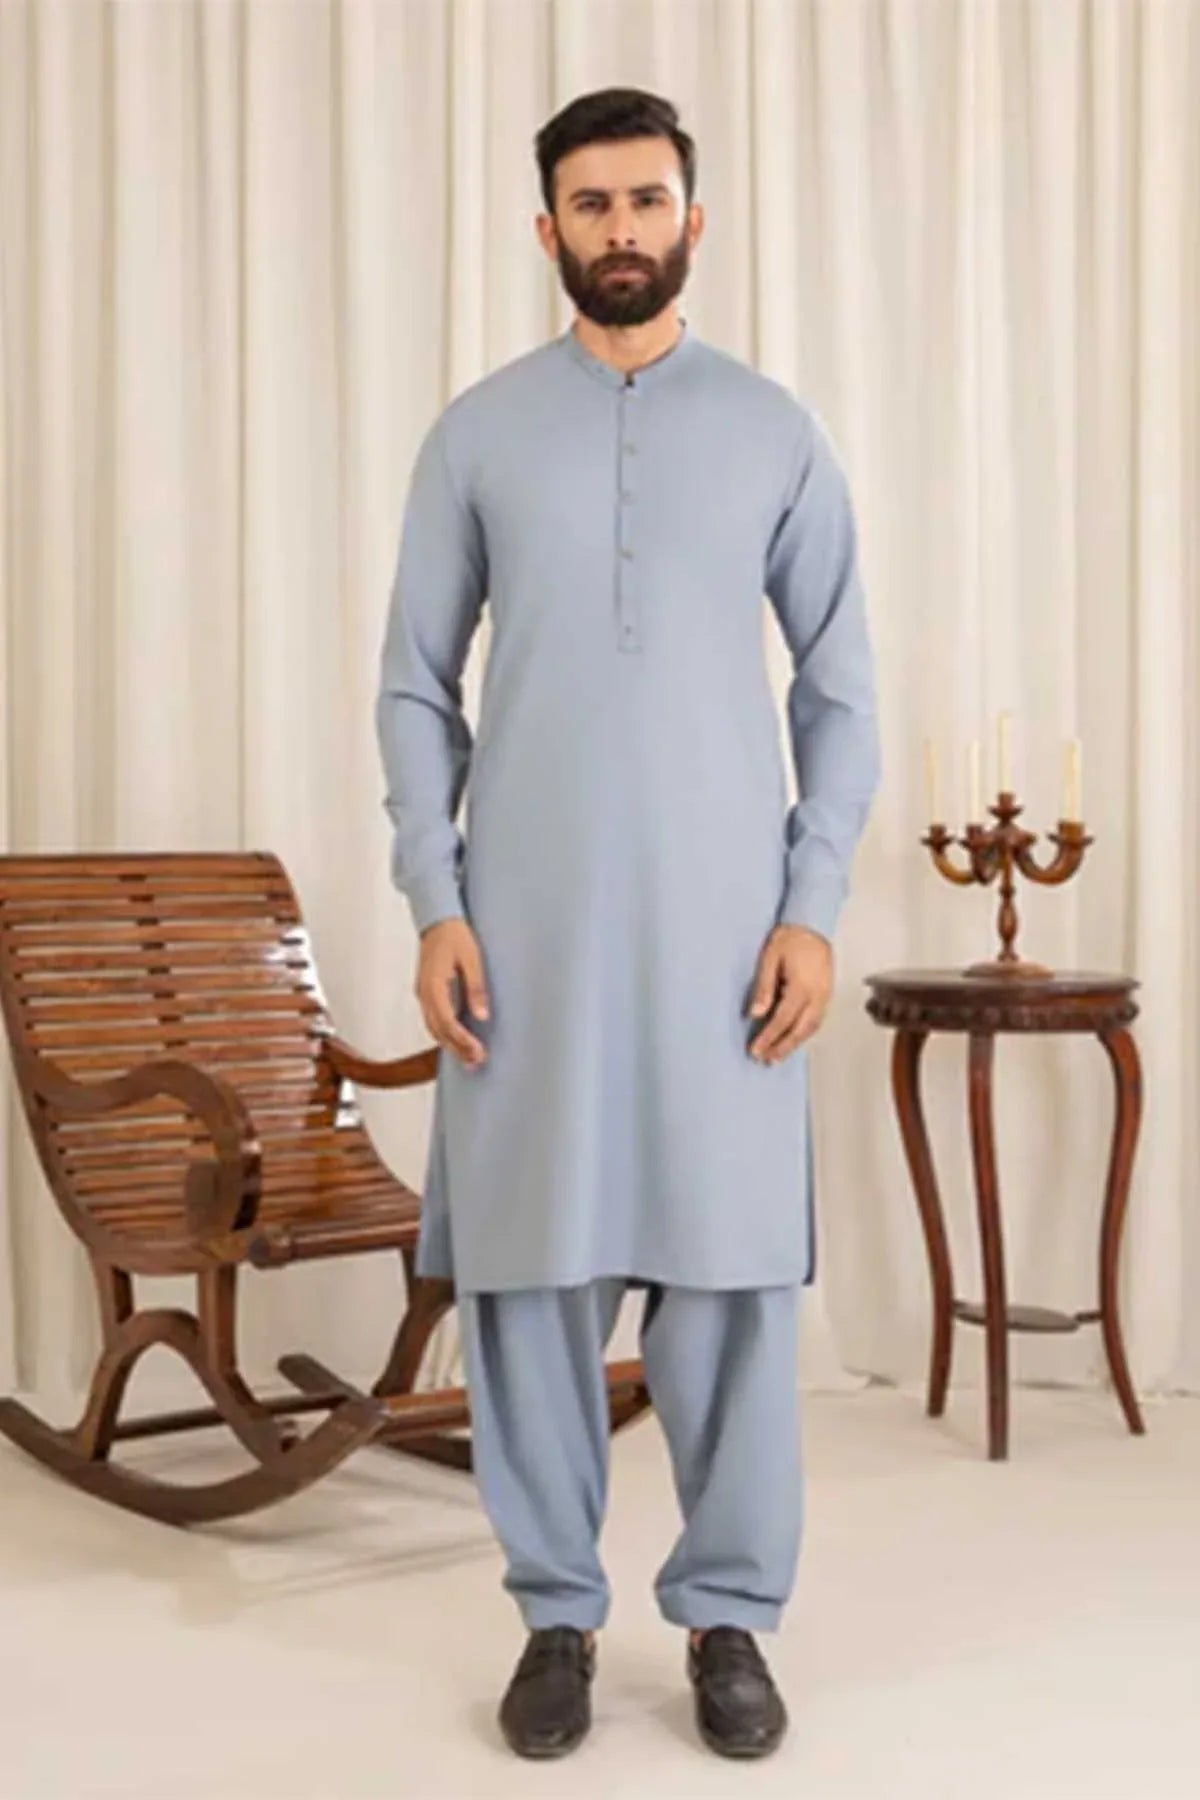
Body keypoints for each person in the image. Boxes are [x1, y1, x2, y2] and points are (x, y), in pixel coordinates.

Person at [375, 86, 881, 1760]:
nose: (621, 230)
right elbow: (413, 686)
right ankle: (556, 1620)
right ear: (547, 230)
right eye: (590, 204)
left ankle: (731, 1620)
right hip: (523, 943)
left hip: (730, 943)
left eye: (646, 200)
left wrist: (812, 909)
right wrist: (436, 901)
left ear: (693, 219)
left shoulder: (775, 432)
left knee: (730, 1288)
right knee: (534, 1284)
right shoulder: (476, 436)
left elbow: (841, 692)